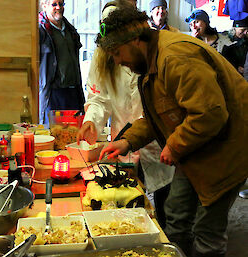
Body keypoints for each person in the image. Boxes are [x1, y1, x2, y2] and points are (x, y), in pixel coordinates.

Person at [95, 1, 248, 256]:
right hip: (199, 147)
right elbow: (162, 115)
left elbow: (209, 114)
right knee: (175, 221)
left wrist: (175, 145)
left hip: (227, 150)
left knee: (207, 233)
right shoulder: (153, 58)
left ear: (134, 41)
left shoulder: (175, 56)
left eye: (117, 54)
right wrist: (127, 141)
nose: (119, 62)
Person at [77, 1, 174, 229]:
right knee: (124, 205)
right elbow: (99, 98)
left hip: (158, 146)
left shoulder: (155, 53)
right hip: (123, 144)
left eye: (118, 50)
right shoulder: (102, 59)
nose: (117, 58)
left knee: (166, 209)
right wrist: (92, 120)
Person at [39, 0, 85, 125]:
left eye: (61, 3)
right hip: (53, 94)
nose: (58, 7)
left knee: (74, 135)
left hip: (73, 93)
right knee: (54, 135)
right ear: (44, 5)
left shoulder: (70, 30)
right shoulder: (40, 31)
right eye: (54, 4)